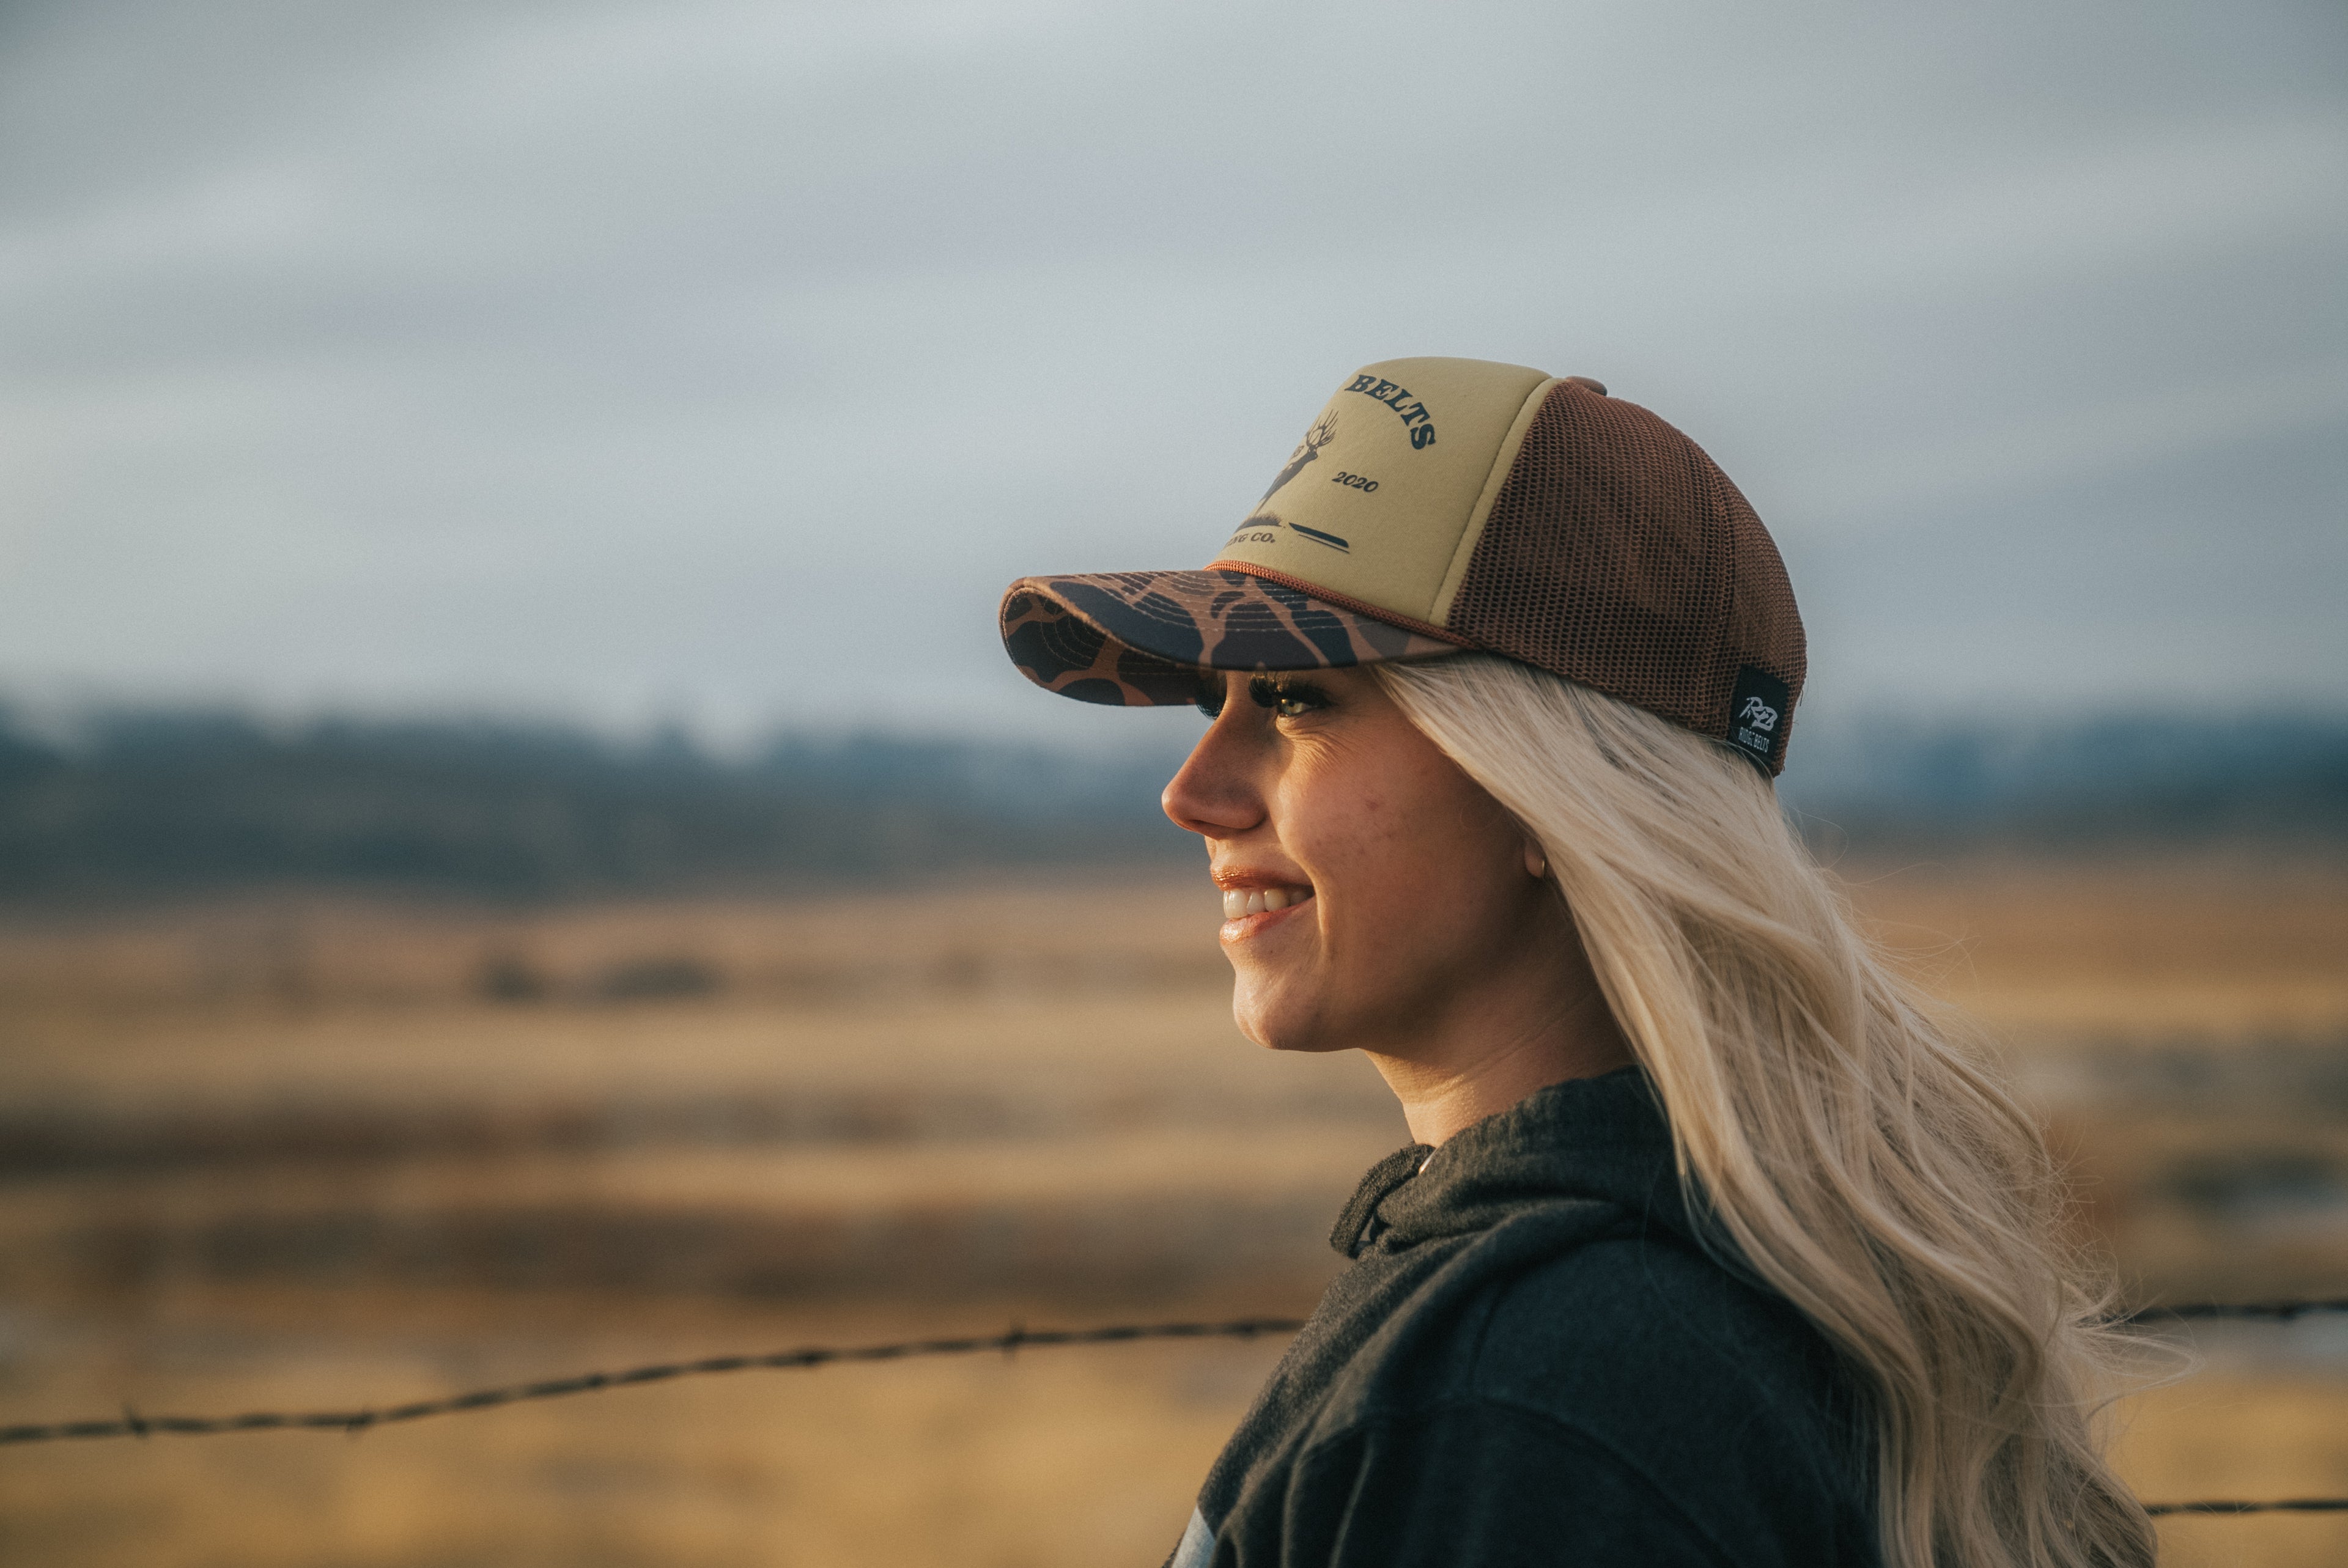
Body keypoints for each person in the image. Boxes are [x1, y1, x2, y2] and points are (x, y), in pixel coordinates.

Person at [996, 359, 2154, 1568]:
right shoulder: (1716, 1274)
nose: (1193, 793)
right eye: (1212, 705)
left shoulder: (1523, 1400)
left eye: (1296, 698)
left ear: (1545, 789)